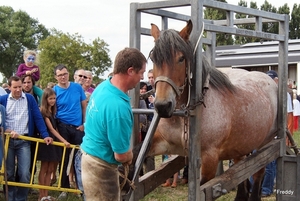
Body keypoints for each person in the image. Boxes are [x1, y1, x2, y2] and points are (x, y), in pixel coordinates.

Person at [80, 47, 146, 200]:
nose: (142, 77)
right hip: (101, 168)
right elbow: (121, 156)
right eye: (141, 72)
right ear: (130, 71)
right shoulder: (118, 107)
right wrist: (130, 155)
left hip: (89, 157)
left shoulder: (104, 86)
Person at [0, 76, 52, 201]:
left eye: (20, 87)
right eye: (15, 87)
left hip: (24, 141)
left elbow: (37, 117)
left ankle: (21, 198)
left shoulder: (29, 99)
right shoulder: (3, 100)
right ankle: (10, 197)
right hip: (7, 141)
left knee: (24, 173)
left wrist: (45, 135)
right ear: (9, 87)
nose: (18, 89)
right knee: (9, 173)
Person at [53, 64, 86, 200]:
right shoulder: (54, 90)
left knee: (80, 159)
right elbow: (52, 110)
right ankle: (64, 188)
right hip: (62, 126)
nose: (63, 77)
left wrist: (84, 124)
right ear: (56, 77)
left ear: (69, 74)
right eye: (60, 75)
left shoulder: (77, 87)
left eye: (65, 74)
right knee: (65, 159)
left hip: (78, 127)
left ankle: (80, 188)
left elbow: (84, 106)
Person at [37, 88, 70, 201]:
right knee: (44, 168)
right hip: (46, 142)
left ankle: (46, 194)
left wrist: (61, 140)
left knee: (51, 169)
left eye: (54, 98)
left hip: (54, 142)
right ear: (45, 99)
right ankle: (41, 194)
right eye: (50, 98)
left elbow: (56, 128)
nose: (53, 101)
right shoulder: (44, 111)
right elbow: (51, 129)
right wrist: (64, 141)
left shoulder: (53, 112)